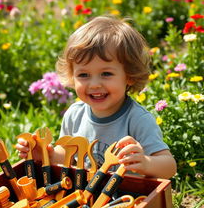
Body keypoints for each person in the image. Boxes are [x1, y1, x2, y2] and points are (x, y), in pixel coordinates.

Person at [17, 16, 177, 179]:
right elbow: (67, 157)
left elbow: (169, 166)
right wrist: (46, 154)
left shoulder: (137, 119)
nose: (94, 84)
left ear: (129, 75)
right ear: (73, 76)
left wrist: (146, 163)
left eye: (106, 74)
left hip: (127, 197)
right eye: (84, 74)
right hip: (83, 194)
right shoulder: (74, 114)